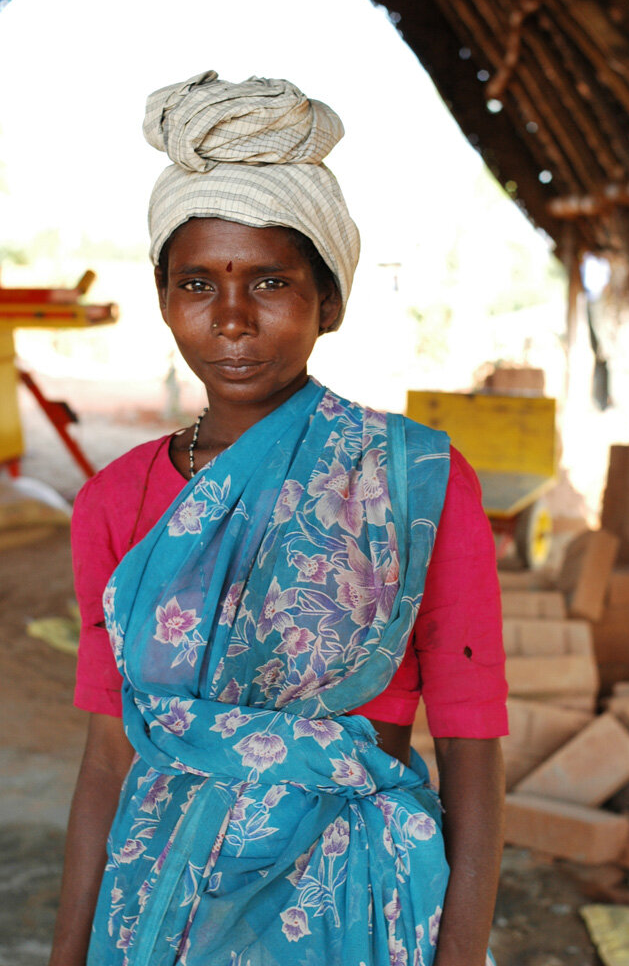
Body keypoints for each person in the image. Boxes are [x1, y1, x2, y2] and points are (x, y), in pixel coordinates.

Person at [49, 72, 507, 966]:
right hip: (164, 901)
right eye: (195, 284)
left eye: (269, 283)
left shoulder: (411, 484)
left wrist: (458, 955)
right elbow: (108, 757)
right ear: (163, 299)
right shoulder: (115, 500)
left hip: (358, 905)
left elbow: (471, 745)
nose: (229, 319)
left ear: (327, 302)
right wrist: (68, 954)